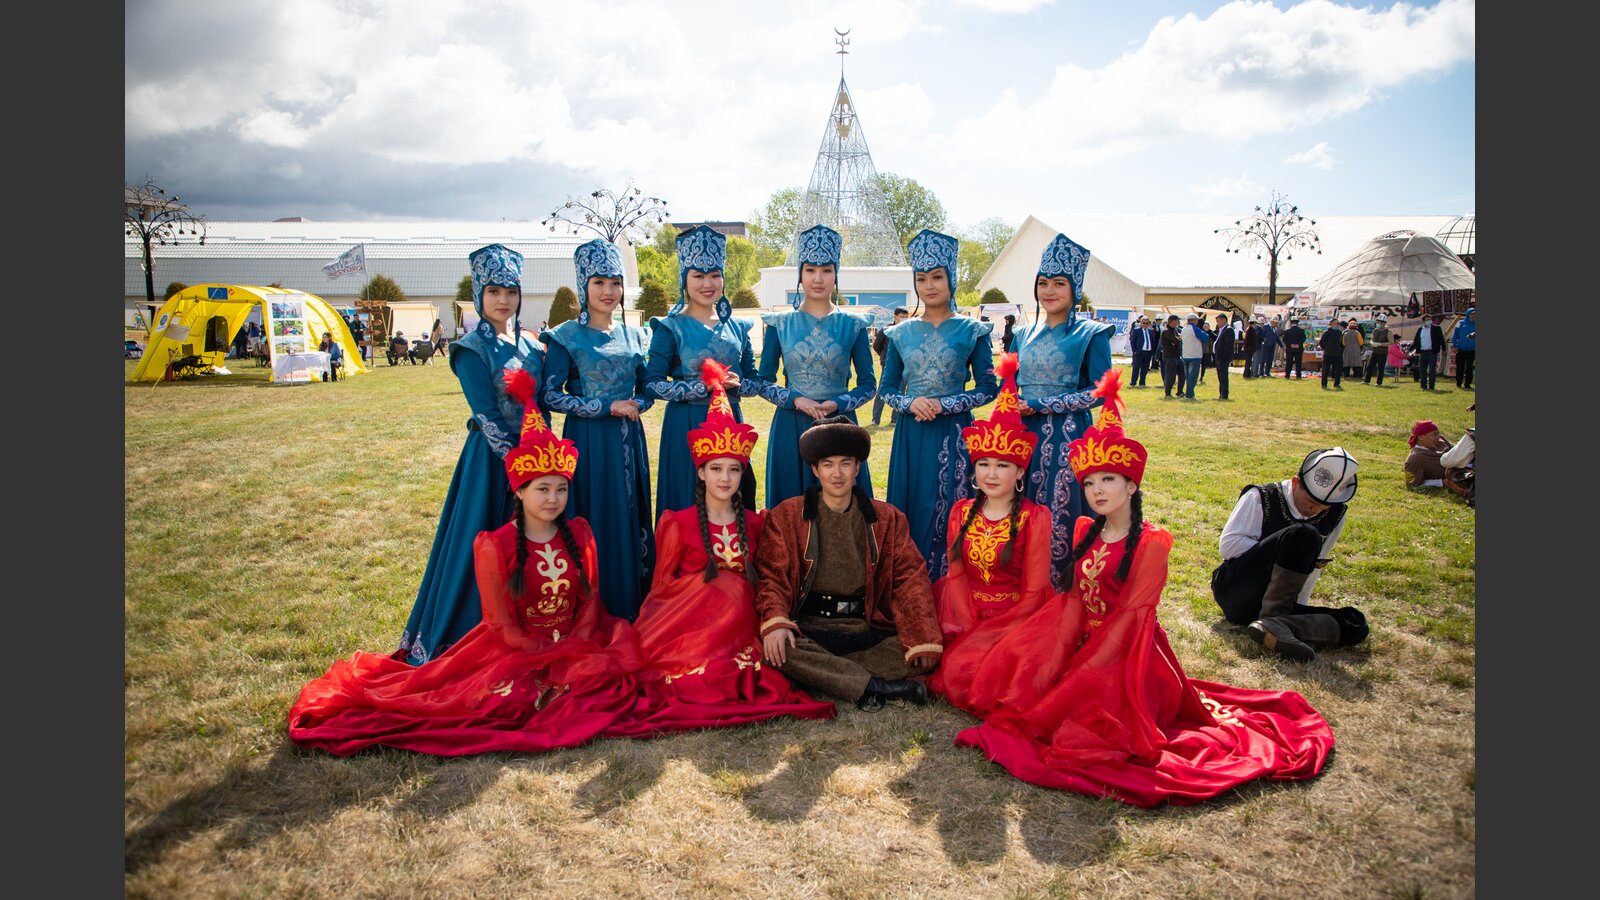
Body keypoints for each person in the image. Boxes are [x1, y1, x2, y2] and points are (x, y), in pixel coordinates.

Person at [950, 369, 1334, 807]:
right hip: (1085, 643)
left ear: (1132, 485)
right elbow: (1072, 605)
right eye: (1089, 482)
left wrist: (1081, 669)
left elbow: (1131, 620)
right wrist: (1054, 654)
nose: (1096, 490)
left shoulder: (1152, 543)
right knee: (1025, 690)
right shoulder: (1084, 529)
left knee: (1080, 726)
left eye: (1108, 480)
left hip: (1130, 654)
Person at [290, 377, 650, 755]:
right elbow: (500, 624)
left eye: (561, 489)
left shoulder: (580, 533)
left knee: (602, 684)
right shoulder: (496, 545)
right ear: (519, 491)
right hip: (518, 651)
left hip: (574, 644)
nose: (553, 499)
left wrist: (577, 644)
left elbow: (590, 603)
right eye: (542, 489)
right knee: (511, 702)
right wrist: (542, 652)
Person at [621, 359, 837, 729]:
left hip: (741, 634)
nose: (725, 478)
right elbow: (662, 592)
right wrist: (713, 592)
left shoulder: (755, 524)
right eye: (716, 469)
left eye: (734, 469)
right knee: (725, 593)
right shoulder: (677, 524)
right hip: (690, 631)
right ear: (701, 472)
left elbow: (768, 579)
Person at [396, 244, 547, 665]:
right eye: (494, 291)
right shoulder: (470, 349)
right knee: (480, 541)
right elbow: (487, 415)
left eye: (511, 291)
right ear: (479, 294)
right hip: (491, 462)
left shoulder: (533, 346)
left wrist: (544, 461)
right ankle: (464, 632)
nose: (504, 300)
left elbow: (543, 405)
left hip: (535, 461)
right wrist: (522, 469)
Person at [753, 416, 944, 709]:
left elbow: (910, 578)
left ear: (857, 468)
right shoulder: (787, 516)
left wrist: (922, 636)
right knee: (778, 648)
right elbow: (772, 577)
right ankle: (877, 687)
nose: (837, 473)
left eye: (845, 463)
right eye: (828, 464)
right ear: (815, 469)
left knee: (911, 652)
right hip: (811, 628)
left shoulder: (888, 518)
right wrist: (776, 622)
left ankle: (826, 675)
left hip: (866, 629)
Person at [926, 353, 1053, 714]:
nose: (991, 474)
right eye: (983, 464)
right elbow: (956, 576)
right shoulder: (961, 512)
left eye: (1002, 465)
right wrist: (969, 626)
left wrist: (993, 632)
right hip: (962, 612)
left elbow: (1034, 593)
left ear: (1020, 472)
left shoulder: (1034, 518)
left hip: (1016, 620)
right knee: (951, 669)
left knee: (984, 678)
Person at [540, 239, 657, 621]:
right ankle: (591, 609)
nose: (609, 291)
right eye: (599, 283)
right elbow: (550, 395)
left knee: (629, 515)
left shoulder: (634, 335)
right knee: (592, 517)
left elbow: (648, 389)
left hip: (628, 440)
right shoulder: (565, 336)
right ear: (583, 286)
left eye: (615, 283)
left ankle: (631, 604)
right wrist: (606, 407)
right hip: (587, 442)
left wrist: (636, 404)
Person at [878, 229, 998, 580]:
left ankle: (952, 585)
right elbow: (886, 389)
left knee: (952, 506)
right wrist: (910, 402)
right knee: (912, 507)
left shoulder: (972, 330)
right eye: (921, 279)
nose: (929, 286)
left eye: (936, 277)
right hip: (911, 433)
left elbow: (988, 387)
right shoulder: (899, 333)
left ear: (951, 279)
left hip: (955, 431)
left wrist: (946, 405)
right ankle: (910, 587)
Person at [1011, 233, 1113, 585]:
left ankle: (1061, 587)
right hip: (1024, 436)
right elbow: (1010, 384)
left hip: (1069, 437)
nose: (1049, 291)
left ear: (1074, 288)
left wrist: (1041, 404)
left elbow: (1100, 391)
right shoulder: (1022, 334)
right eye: (1043, 283)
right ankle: (1022, 587)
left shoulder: (1091, 333)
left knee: (1063, 508)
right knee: (1019, 507)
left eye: (1059, 283)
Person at [754, 224, 877, 509]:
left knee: (845, 512)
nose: (818, 278)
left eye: (826, 270)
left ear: (836, 274)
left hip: (839, 425)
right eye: (810, 270)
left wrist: (837, 403)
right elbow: (762, 382)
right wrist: (796, 399)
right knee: (792, 509)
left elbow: (869, 385)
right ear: (800, 274)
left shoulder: (853, 324)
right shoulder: (780, 324)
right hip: (791, 426)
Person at [645, 225, 764, 515]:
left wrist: (739, 385)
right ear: (684, 279)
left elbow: (755, 380)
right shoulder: (670, 327)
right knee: (688, 501)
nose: (707, 283)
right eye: (698, 276)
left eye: (715, 275)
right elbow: (652, 383)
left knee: (732, 503)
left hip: (730, 424)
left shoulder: (738, 326)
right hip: (686, 425)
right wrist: (701, 387)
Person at [1210, 447, 1370, 661]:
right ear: (1295, 483)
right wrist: (1281, 550)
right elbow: (1229, 546)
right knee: (1304, 534)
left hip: (1277, 604)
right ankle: (1276, 621)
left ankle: (1278, 625)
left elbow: (1311, 570)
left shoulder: (1335, 516)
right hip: (1238, 592)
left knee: (1356, 623)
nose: (1315, 511)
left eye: (1323, 508)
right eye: (1311, 503)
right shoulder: (1261, 497)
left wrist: (1299, 603)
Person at [870, 307, 910, 426]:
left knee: (901, 390)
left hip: (904, 365)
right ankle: (875, 419)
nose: (904, 320)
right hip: (887, 365)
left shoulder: (909, 331)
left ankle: (895, 419)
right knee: (882, 391)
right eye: (902, 317)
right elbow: (876, 346)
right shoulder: (886, 330)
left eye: (906, 317)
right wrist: (885, 357)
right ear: (895, 316)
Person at [1403, 420, 1454, 488]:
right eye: (1434, 434)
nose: (1438, 438)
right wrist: (1442, 482)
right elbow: (1412, 483)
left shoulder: (1440, 441)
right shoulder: (1414, 459)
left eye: (1438, 434)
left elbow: (1456, 450)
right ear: (1421, 437)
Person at [1179, 312, 1210, 400]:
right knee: (1193, 376)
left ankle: (1190, 393)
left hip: (1185, 355)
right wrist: (1206, 331)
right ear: (1194, 320)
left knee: (1188, 376)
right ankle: (1189, 395)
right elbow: (1205, 337)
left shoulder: (1184, 329)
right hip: (1195, 355)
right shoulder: (1195, 329)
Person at [1415, 315, 1446, 390]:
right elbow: (1416, 341)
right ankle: (1423, 385)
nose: (1429, 321)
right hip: (1423, 352)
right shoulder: (1420, 329)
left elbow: (1441, 339)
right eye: (1427, 319)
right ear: (1423, 321)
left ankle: (1431, 386)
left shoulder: (1436, 328)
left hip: (1432, 352)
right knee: (1422, 369)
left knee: (1432, 369)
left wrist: (1444, 349)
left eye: (1430, 319)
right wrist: (1410, 350)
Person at [1128, 316, 1157, 387]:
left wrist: (1152, 352)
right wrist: (1134, 351)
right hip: (1139, 352)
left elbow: (1153, 342)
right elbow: (1132, 341)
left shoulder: (1150, 331)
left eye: (1147, 323)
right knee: (1136, 368)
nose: (1145, 325)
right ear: (1141, 323)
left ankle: (1142, 382)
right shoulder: (1136, 330)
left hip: (1148, 353)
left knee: (1145, 368)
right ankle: (1133, 382)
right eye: (1144, 323)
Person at [1363, 315, 1392, 385]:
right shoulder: (1375, 330)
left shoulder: (1388, 331)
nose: (1378, 323)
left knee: (1381, 368)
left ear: (1383, 323)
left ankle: (1379, 383)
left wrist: (1381, 344)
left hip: (1382, 353)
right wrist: (1372, 343)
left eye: (1379, 322)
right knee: (1370, 367)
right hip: (1374, 351)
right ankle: (1366, 381)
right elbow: (1372, 339)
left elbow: (1391, 342)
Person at [1158, 314, 1183, 397]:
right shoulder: (1167, 331)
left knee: (1182, 374)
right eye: (1177, 321)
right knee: (1170, 375)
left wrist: (1178, 339)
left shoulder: (1174, 330)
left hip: (1177, 356)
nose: (1178, 322)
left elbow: (1177, 340)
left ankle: (1180, 392)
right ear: (1172, 321)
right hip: (1169, 357)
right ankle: (1167, 393)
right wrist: (1178, 339)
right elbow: (1177, 341)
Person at [1451, 306, 1476, 388]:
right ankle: (1459, 382)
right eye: (1472, 314)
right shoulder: (1460, 323)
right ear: (1468, 314)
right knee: (1460, 366)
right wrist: (1455, 345)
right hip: (1460, 349)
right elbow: (1455, 335)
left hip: (1471, 349)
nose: (1474, 315)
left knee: (1469, 367)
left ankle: (1467, 383)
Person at [1211, 313, 1234, 400]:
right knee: (1220, 376)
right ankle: (1221, 394)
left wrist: (1224, 356)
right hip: (1218, 356)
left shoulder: (1228, 330)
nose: (1217, 323)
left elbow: (1228, 345)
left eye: (1218, 321)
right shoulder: (1221, 330)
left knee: (1223, 376)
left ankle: (1224, 395)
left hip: (1223, 358)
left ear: (1224, 320)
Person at [1318, 318, 1345, 389]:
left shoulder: (1339, 333)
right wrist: (1326, 349)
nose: (1338, 325)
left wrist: (1341, 350)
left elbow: (1342, 343)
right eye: (1336, 323)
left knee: (1338, 369)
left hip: (1337, 354)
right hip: (1328, 354)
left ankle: (1337, 383)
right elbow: (1321, 342)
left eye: (1338, 324)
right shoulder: (1327, 332)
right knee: (1325, 370)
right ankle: (1324, 384)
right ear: (1332, 324)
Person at [1197, 317, 1213, 384]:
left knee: (1197, 364)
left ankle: (1198, 376)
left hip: (1198, 350)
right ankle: (1201, 376)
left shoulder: (1197, 330)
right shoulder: (1205, 332)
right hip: (1204, 350)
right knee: (1203, 364)